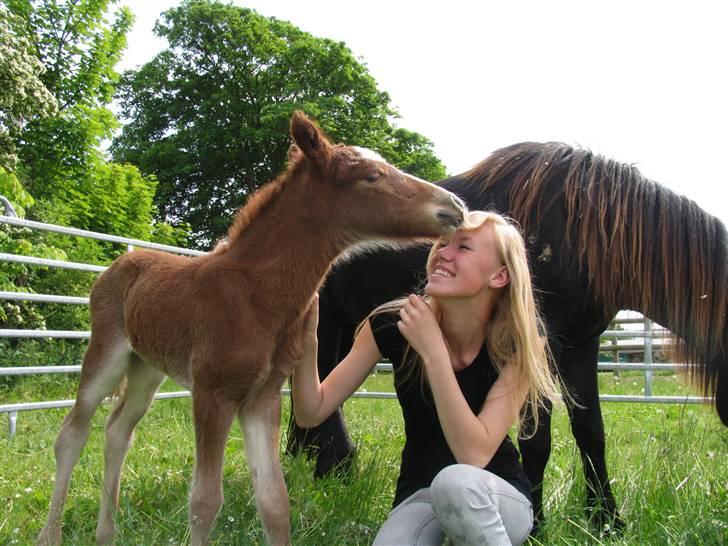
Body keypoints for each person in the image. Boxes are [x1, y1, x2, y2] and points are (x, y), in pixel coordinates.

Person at [292, 210, 562, 545]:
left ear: (500, 276)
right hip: (420, 495)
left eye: (463, 247)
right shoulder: (393, 323)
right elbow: (310, 412)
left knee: (455, 483)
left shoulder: (521, 340)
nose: (443, 253)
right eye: (442, 243)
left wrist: (433, 351)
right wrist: (307, 342)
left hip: (495, 494)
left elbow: (473, 455)